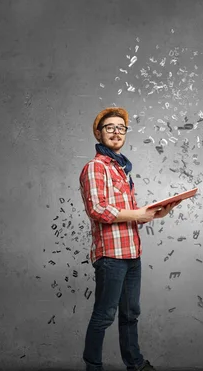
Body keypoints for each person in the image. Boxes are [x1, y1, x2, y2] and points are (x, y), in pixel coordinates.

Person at [79, 107, 180, 371]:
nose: (116, 132)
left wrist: (155, 214)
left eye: (121, 128)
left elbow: (128, 214)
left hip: (132, 253)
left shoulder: (122, 168)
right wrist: (138, 213)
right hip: (111, 255)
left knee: (130, 314)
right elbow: (98, 209)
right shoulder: (95, 167)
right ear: (99, 133)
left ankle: (135, 364)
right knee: (104, 316)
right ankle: (93, 367)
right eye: (109, 127)